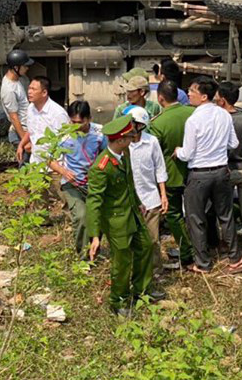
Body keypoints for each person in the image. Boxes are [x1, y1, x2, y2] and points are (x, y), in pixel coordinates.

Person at [86, 116, 165, 317]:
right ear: (120, 140)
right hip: (116, 221)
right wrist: (95, 235)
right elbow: (94, 201)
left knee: (146, 246)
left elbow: (130, 183)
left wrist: (139, 203)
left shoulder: (126, 153)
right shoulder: (101, 167)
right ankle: (118, 300)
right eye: (130, 137)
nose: (133, 139)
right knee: (122, 262)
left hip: (133, 214)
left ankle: (142, 289)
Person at [176, 76, 242, 273]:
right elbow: (233, 144)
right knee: (226, 215)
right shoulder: (224, 115)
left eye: (192, 91)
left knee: (196, 218)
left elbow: (187, 153)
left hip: (199, 174)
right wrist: (217, 147)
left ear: (204, 96)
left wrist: (177, 151)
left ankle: (203, 263)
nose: (188, 94)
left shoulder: (193, 120)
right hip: (221, 171)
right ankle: (234, 256)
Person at [49, 100, 105, 257]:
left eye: (79, 122)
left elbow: (108, 153)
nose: (76, 125)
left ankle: (95, 251)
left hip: (94, 184)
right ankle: (83, 256)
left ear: (89, 119)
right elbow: (50, 159)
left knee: (96, 218)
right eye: (72, 121)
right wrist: (64, 171)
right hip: (72, 184)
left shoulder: (99, 134)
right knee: (81, 217)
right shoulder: (64, 136)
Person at [149, 80, 195, 268]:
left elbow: (155, 153)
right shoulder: (193, 113)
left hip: (171, 175)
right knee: (196, 213)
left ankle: (186, 252)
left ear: (160, 98)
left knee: (174, 215)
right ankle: (201, 247)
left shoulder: (158, 123)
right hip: (194, 171)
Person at [124, 105, 169, 272]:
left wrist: (163, 195)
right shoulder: (122, 145)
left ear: (140, 125)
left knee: (152, 239)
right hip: (130, 201)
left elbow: (160, 168)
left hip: (150, 199)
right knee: (131, 239)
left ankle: (155, 269)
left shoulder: (151, 142)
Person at [215, 81, 242, 246]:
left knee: (223, 208)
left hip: (225, 170)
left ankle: (225, 240)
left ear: (223, 100)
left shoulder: (218, 121)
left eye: (217, 97)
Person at [16, 76, 71, 165]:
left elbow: (67, 141)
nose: (29, 92)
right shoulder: (30, 108)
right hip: (35, 163)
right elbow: (31, 131)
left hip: (54, 165)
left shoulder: (58, 114)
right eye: (29, 88)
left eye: (33, 89)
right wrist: (21, 145)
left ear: (44, 92)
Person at [0, 48, 32, 164]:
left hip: (25, 130)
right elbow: (13, 117)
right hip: (20, 132)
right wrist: (25, 141)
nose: (27, 68)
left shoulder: (15, 80)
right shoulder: (9, 90)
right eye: (24, 66)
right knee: (25, 167)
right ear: (16, 67)